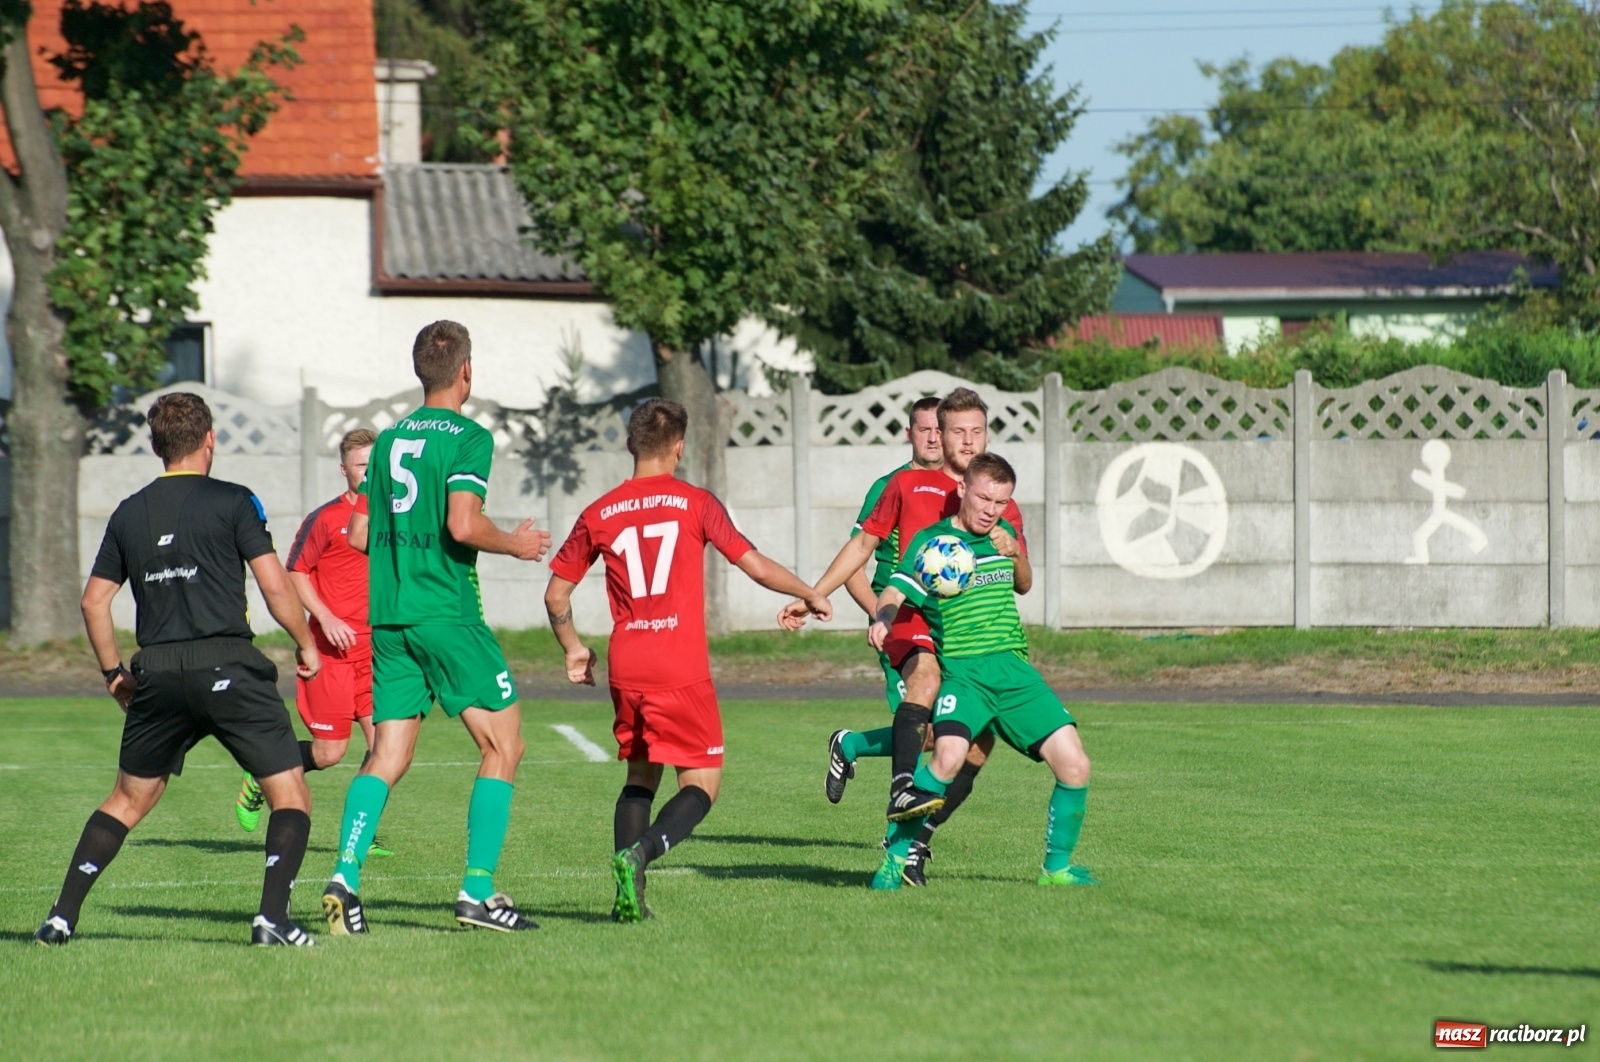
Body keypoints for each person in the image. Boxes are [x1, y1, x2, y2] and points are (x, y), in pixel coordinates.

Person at [34, 392, 323, 947]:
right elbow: (273, 585)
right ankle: (272, 920)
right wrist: (305, 642)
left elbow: (94, 602)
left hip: (158, 671)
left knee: (127, 799)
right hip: (228, 663)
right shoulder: (235, 500)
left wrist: (113, 674)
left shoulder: (128, 512)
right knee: (290, 793)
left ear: (155, 446)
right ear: (210, 439)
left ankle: (61, 917)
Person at [543, 398, 832, 924]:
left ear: (630, 445)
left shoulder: (598, 512)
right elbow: (755, 566)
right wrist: (808, 592)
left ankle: (629, 898)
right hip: (678, 665)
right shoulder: (696, 502)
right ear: (679, 448)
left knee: (640, 775)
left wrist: (574, 648)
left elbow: (556, 594)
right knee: (701, 784)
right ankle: (641, 854)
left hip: (627, 665)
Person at [319, 320, 551, 936]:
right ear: (466, 371)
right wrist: (517, 544)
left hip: (390, 620)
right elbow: (462, 524)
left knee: (387, 754)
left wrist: (404, 551)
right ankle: (477, 891)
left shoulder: (389, 441)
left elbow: (360, 535)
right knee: (504, 747)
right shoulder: (470, 437)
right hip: (446, 614)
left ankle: (344, 877)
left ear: (420, 370)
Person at [779, 387, 1026, 885]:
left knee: (974, 745)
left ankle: (914, 842)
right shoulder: (904, 485)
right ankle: (901, 790)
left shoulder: (999, 501)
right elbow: (862, 546)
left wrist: (1014, 549)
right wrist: (814, 594)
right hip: (910, 615)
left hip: (966, 633)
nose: (966, 441)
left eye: (976, 432)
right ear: (940, 433)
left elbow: (1021, 579)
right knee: (925, 679)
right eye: (956, 431)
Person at [868, 453, 1094, 890]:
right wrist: (883, 619)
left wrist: (1016, 553)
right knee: (947, 759)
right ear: (962, 489)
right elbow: (894, 590)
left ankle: (1056, 870)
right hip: (965, 674)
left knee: (1075, 766)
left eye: (1001, 502)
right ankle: (894, 860)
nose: (991, 510)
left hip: (1015, 673)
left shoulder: (1003, 533)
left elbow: (1024, 584)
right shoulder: (933, 544)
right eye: (984, 498)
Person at [232, 429, 394, 855]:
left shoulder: (396, 515)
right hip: (331, 654)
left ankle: (360, 833)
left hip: (377, 653)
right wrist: (326, 617)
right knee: (328, 753)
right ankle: (259, 776)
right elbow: (296, 573)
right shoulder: (325, 519)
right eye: (362, 465)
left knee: (385, 749)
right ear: (344, 470)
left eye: (376, 464)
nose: (370, 472)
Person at [822, 396, 943, 803]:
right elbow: (855, 559)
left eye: (939, 429)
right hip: (901, 619)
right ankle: (903, 814)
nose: (933, 438)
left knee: (943, 732)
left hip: (946, 621)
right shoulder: (889, 486)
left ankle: (850, 744)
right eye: (924, 429)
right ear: (909, 433)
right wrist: (881, 613)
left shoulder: (958, 488)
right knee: (921, 726)